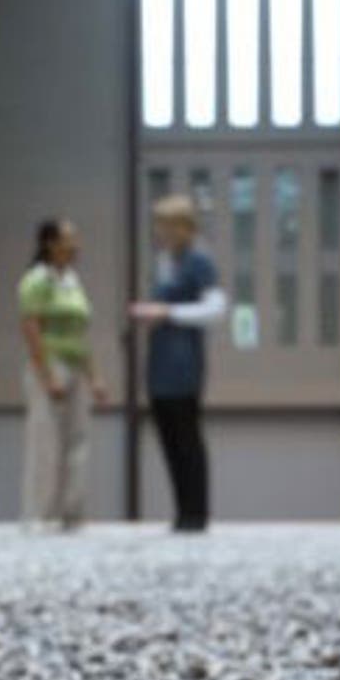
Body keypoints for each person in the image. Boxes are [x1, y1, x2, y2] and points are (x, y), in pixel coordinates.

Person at [130, 194, 227, 534]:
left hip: (183, 365)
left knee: (186, 440)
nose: (160, 232)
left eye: (167, 225)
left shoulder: (198, 262)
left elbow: (216, 308)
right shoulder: (166, 263)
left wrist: (167, 312)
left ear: (185, 228)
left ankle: (195, 513)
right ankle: (182, 512)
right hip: (160, 366)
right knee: (169, 440)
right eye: (159, 225)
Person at [19, 219, 109, 530]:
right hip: (50, 362)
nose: (76, 245)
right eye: (69, 239)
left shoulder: (73, 282)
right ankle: (39, 514)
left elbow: (81, 335)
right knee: (45, 440)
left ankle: (72, 513)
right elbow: (31, 329)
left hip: (76, 366)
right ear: (50, 244)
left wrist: (95, 376)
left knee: (78, 441)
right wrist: (47, 376)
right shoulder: (36, 280)